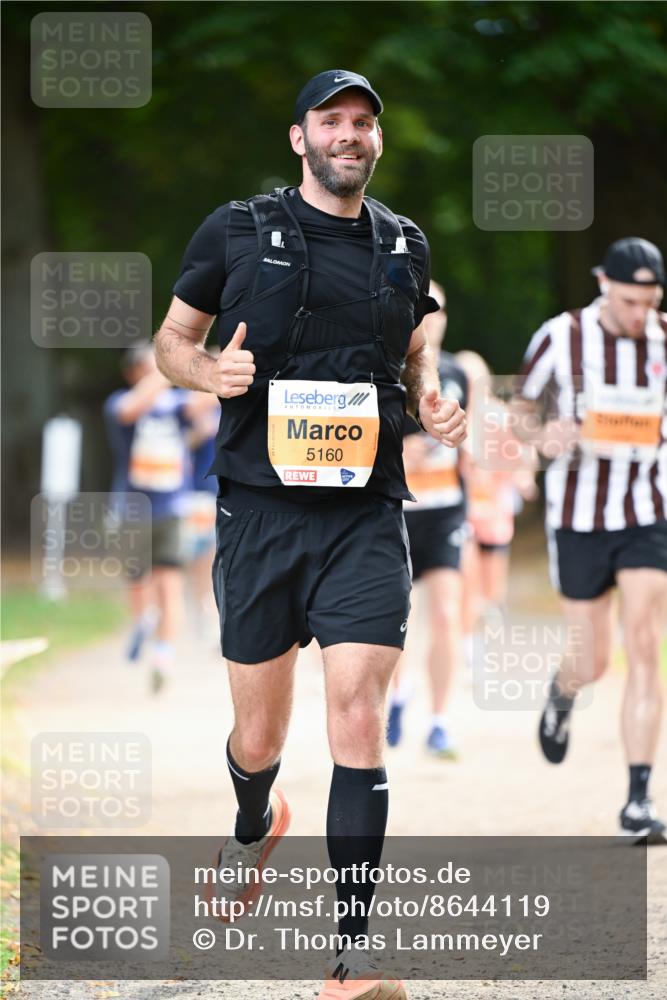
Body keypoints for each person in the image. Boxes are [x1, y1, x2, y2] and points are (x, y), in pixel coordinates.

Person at [154, 69, 466, 999]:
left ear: (377, 140)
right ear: (300, 138)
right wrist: (210, 375)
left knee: (358, 716)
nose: (348, 134)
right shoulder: (238, 229)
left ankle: (351, 954)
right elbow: (174, 339)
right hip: (260, 512)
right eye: (330, 120)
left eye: (363, 122)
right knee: (259, 731)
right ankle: (254, 820)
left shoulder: (404, 245)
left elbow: (414, 359)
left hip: (364, 511)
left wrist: (433, 405)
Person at [513, 237, 667, 843]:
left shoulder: (663, 339)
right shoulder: (562, 335)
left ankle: (637, 799)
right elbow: (519, 412)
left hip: (648, 511)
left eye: (649, 302)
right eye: (630, 300)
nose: (639, 315)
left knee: (646, 643)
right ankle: (564, 689)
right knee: (594, 660)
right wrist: (545, 436)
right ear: (604, 283)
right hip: (578, 516)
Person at [386, 281, 468, 758]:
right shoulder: (387, 370)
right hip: (399, 509)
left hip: (446, 513)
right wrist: (406, 448)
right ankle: (398, 696)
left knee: (445, 613)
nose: (430, 318)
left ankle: (439, 720)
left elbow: (470, 447)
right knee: (398, 618)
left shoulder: (458, 371)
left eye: (437, 309)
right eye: (422, 310)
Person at [103, 343, 192, 692]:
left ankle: (164, 656)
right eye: (148, 367)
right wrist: (166, 372)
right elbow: (128, 410)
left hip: (172, 508)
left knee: (170, 585)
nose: (155, 373)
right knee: (137, 580)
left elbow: (204, 406)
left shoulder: (176, 405)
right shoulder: (120, 403)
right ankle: (142, 621)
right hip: (132, 509)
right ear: (133, 373)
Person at [457, 351, 537, 665]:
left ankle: (487, 638)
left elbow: (524, 456)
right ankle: (467, 647)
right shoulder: (450, 416)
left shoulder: (499, 416)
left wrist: (521, 478)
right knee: (467, 582)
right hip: (463, 517)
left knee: (491, 590)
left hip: (495, 516)